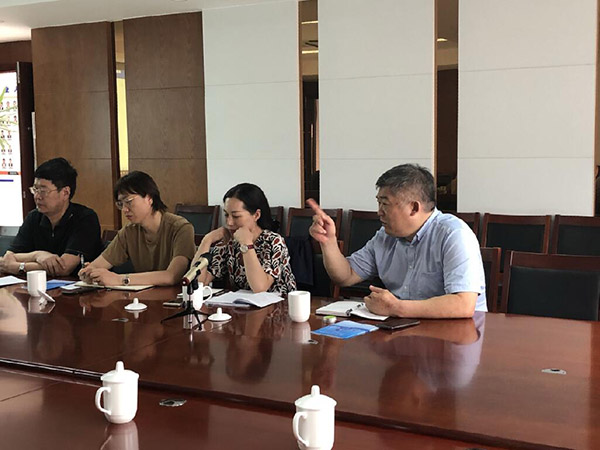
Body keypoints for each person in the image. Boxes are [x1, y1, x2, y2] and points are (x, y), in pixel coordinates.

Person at [309, 163, 486, 319]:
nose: (379, 212)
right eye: (379, 203)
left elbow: (463, 304)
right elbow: (346, 275)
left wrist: (396, 307)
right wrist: (328, 241)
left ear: (414, 208)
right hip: (405, 329)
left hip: (458, 334)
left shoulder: (454, 234)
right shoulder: (385, 236)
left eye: (385, 204)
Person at [79, 171, 195, 287]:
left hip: (177, 295)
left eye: (128, 202)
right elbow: (98, 265)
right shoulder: (129, 232)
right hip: (143, 296)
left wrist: (120, 279)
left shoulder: (180, 228)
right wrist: (89, 272)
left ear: (149, 198)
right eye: (120, 204)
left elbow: (172, 276)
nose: (124, 209)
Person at [0, 157, 102, 276]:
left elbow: (63, 268)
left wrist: (19, 267)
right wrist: (38, 255)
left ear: (65, 193)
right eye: (35, 189)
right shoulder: (34, 217)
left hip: (76, 286)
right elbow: (9, 258)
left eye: (43, 191)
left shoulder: (85, 218)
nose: (37, 196)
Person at [193, 183, 296, 294]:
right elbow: (198, 282)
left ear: (256, 215)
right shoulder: (229, 242)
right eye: (226, 215)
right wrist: (207, 240)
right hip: (241, 304)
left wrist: (246, 243)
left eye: (236, 216)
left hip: (280, 303)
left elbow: (260, 288)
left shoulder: (273, 242)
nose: (229, 222)